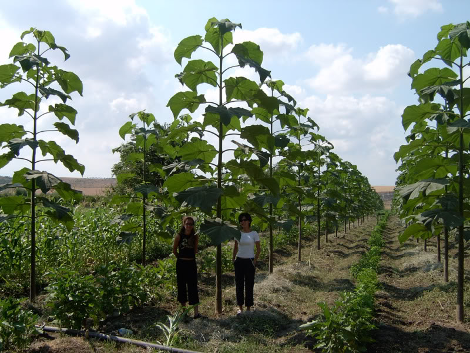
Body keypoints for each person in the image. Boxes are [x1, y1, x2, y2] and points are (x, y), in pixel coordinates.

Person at [172, 216, 201, 319]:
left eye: (191, 224)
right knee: (182, 287)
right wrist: (180, 258)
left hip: (191, 263)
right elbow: (174, 250)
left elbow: (195, 250)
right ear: (184, 224)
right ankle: (184, 313)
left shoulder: (195, 236)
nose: (189, 226)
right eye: (187, 224)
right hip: (181, 264)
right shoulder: (179, 236)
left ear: (193, 226)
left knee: (193, 286)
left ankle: (196, 313)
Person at [232, 212, 261, 314]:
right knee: (239, 284)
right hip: (239, 260)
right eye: (241, 220)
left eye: (244, 220)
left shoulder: (254, 234)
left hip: (249, 261)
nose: (242, 222)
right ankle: (240, 307)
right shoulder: (238, 233)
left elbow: (258, 248)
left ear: (249, 221)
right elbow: (235, 247)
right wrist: (233, 259)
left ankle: (248, 307)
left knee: (249, 284)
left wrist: (254, 260)